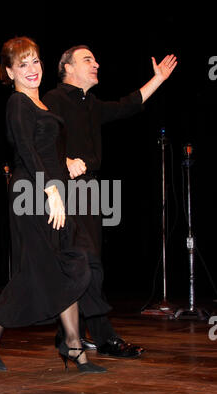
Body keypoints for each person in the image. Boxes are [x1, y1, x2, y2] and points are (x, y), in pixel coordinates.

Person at [0, 36, 109, 374]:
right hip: (32, 195)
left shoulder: (42, 106)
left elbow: (45, 150)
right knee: (38, 271)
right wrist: (51, 193)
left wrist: (68, 162)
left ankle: (74, 345)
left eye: (35, 61)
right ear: (10, 71)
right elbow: (27, 152)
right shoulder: (18, 103)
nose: (32, 69)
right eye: (23, 64)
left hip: (53, 190)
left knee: (71, 264)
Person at [43, 45, 177, 358]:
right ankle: (104, 339)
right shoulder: (54, 99)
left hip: (90, 190)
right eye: (87, 59)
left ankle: (67, 336)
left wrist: (157, 79)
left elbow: (128, 104)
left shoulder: (92, 104)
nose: (96, 63)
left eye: (95, 58)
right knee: (89, 264)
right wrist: (65, 159)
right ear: (67, 68)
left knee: (83, 267)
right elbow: (39, 140)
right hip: (65, 189)